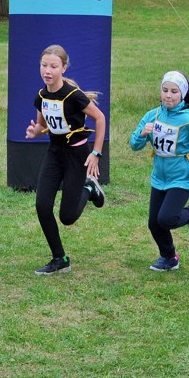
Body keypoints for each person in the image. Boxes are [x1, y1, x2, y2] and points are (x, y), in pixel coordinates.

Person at [25, 45, 108, 276]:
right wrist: (36, 131)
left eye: (53, 66)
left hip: (77, 155)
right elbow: (43, 125)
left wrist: (96, 153)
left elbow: (100, 118)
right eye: (44, 65)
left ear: (64, 68)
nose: (47, 71)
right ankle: (59, 258)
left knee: (68, 217)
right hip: (54, 153)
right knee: (42, 205)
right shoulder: (41, 96)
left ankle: (89, 188)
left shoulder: (73, 96)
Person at [128, 71, 189, 271]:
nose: (168, 95)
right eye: (165, 90)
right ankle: (169, 258)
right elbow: (134, 145)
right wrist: (142, 134)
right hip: (159, 177)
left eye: (174, 92)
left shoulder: (188, 120)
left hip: (182, 177)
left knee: (166, 219)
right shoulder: (152, 116)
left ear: (182, 94)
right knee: (154, 223)